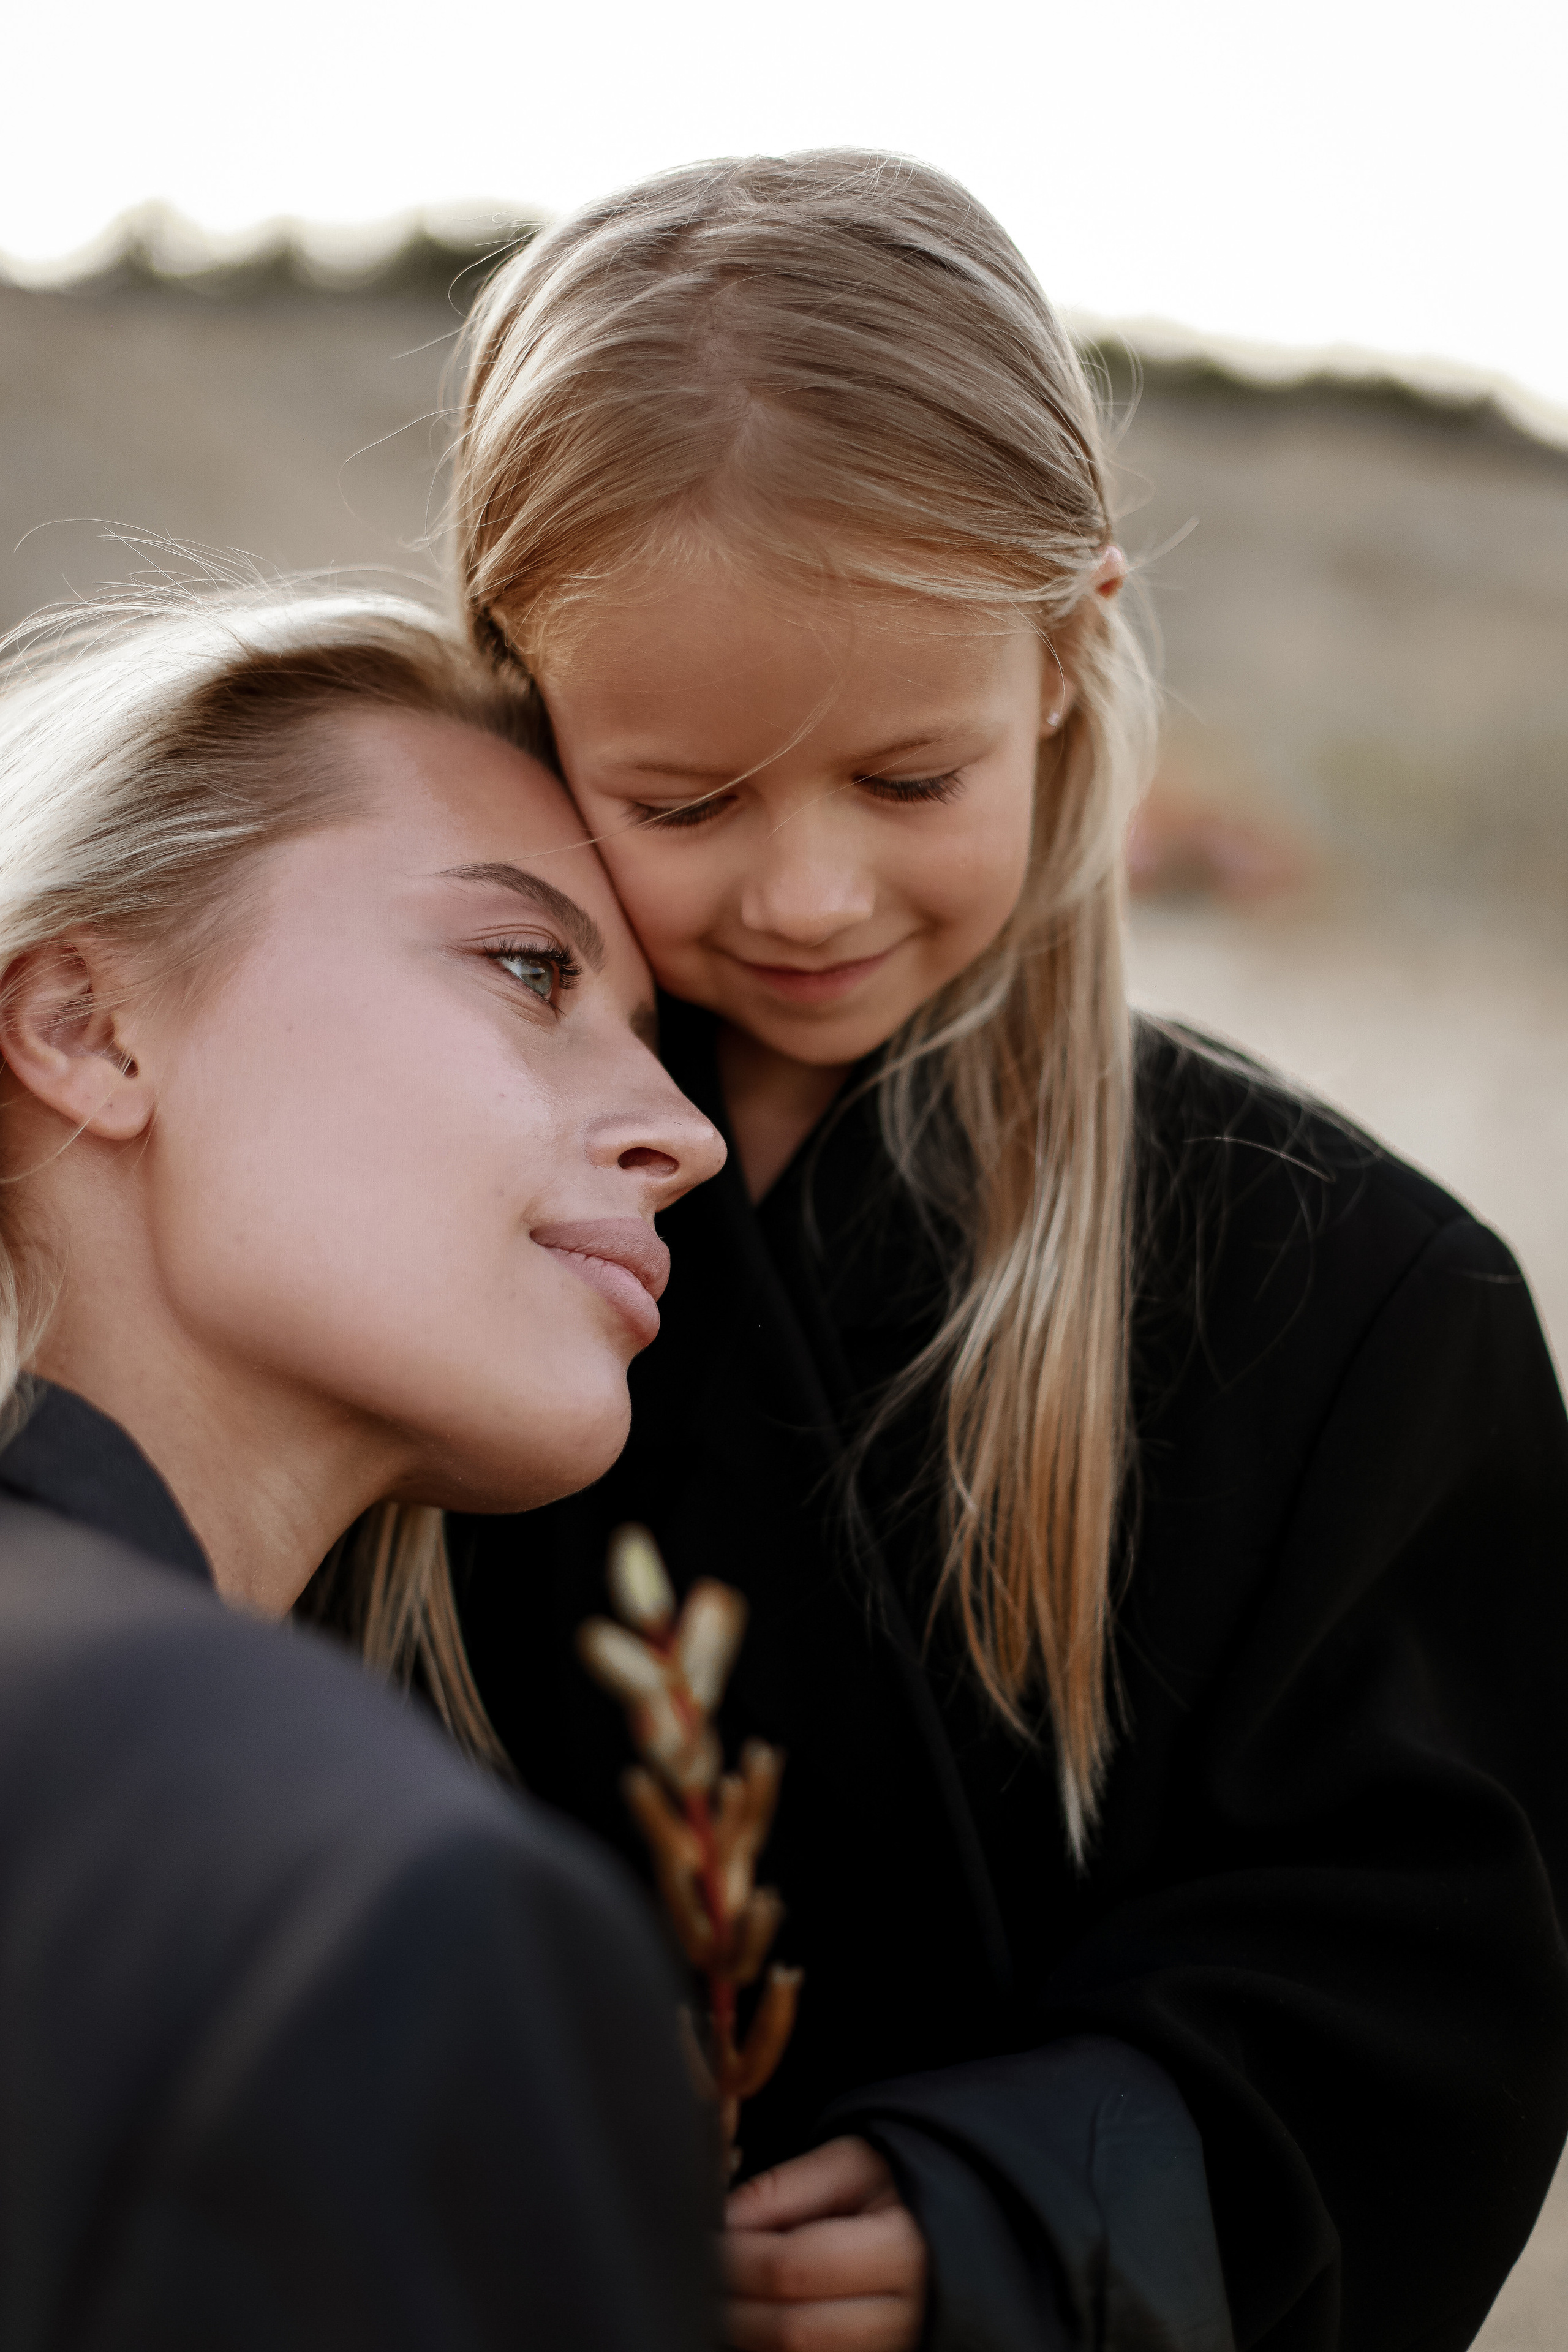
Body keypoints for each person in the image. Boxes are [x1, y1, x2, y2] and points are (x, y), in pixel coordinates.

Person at [447, 151, 1568, 2351]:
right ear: (519, 687)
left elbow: (1428, 1973)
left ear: (1068, 655)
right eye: (682, 803)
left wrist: (1032, 2204)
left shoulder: (1355, 1310)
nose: (805, 894)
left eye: (906, 776)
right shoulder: (391, 1193)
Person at [0, 583, 726, 2348]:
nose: (686, 1136)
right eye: (532, 969)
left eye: (654, 1035)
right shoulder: (371, 1915)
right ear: (91, 1027)